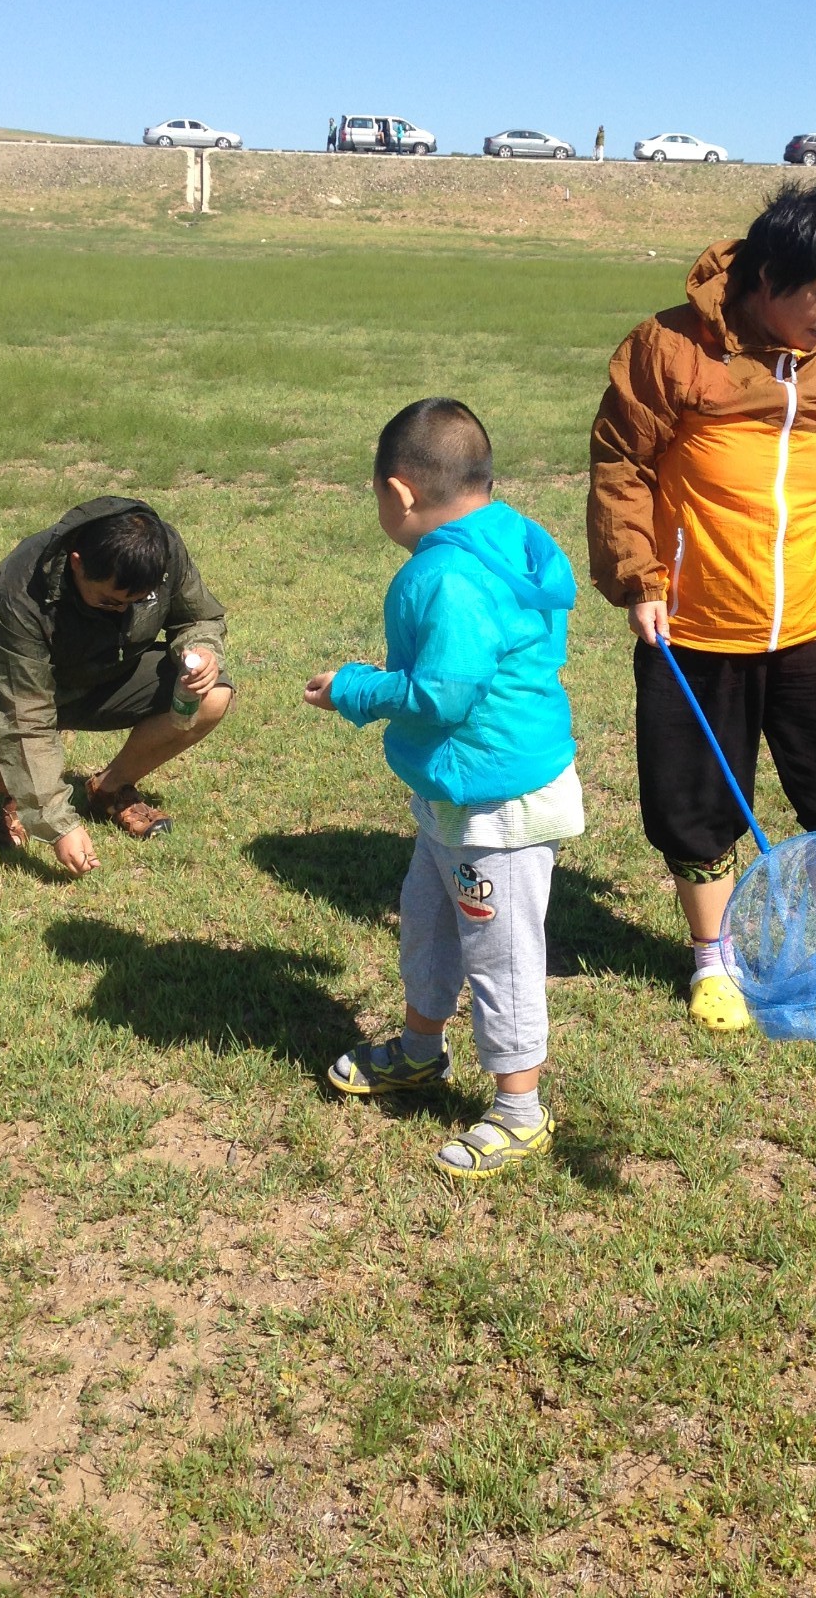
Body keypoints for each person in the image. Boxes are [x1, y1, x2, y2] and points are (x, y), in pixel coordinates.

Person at [587, 183, 816, 1033]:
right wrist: (641, 579)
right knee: (694, 802)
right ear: (767, 278)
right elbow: (620, 466)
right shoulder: (668, 348)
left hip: (812, 621)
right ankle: (713, 963)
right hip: (696, 625)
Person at [307, 399, 581, 1180]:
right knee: (428, 923)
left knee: (501, 954)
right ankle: (421, 1052)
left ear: (399, 495)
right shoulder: (509, 537)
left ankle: (520, 1112)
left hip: (497, 803)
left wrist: (357, 688)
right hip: (458, 794)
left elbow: (447, 694)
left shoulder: (448, 577)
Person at [0, 499, 233, 871]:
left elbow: (198, 617)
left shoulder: (162, 551)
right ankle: (22, 798)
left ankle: (111, 789)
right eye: (109, 601)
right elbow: (26, 716)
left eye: (134, 602)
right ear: (76, 562)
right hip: (8, 689)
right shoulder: (18, 588)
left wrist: (200, 649)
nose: (122, 610)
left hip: (108, 675)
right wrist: (57, 822)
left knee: (211, 697)